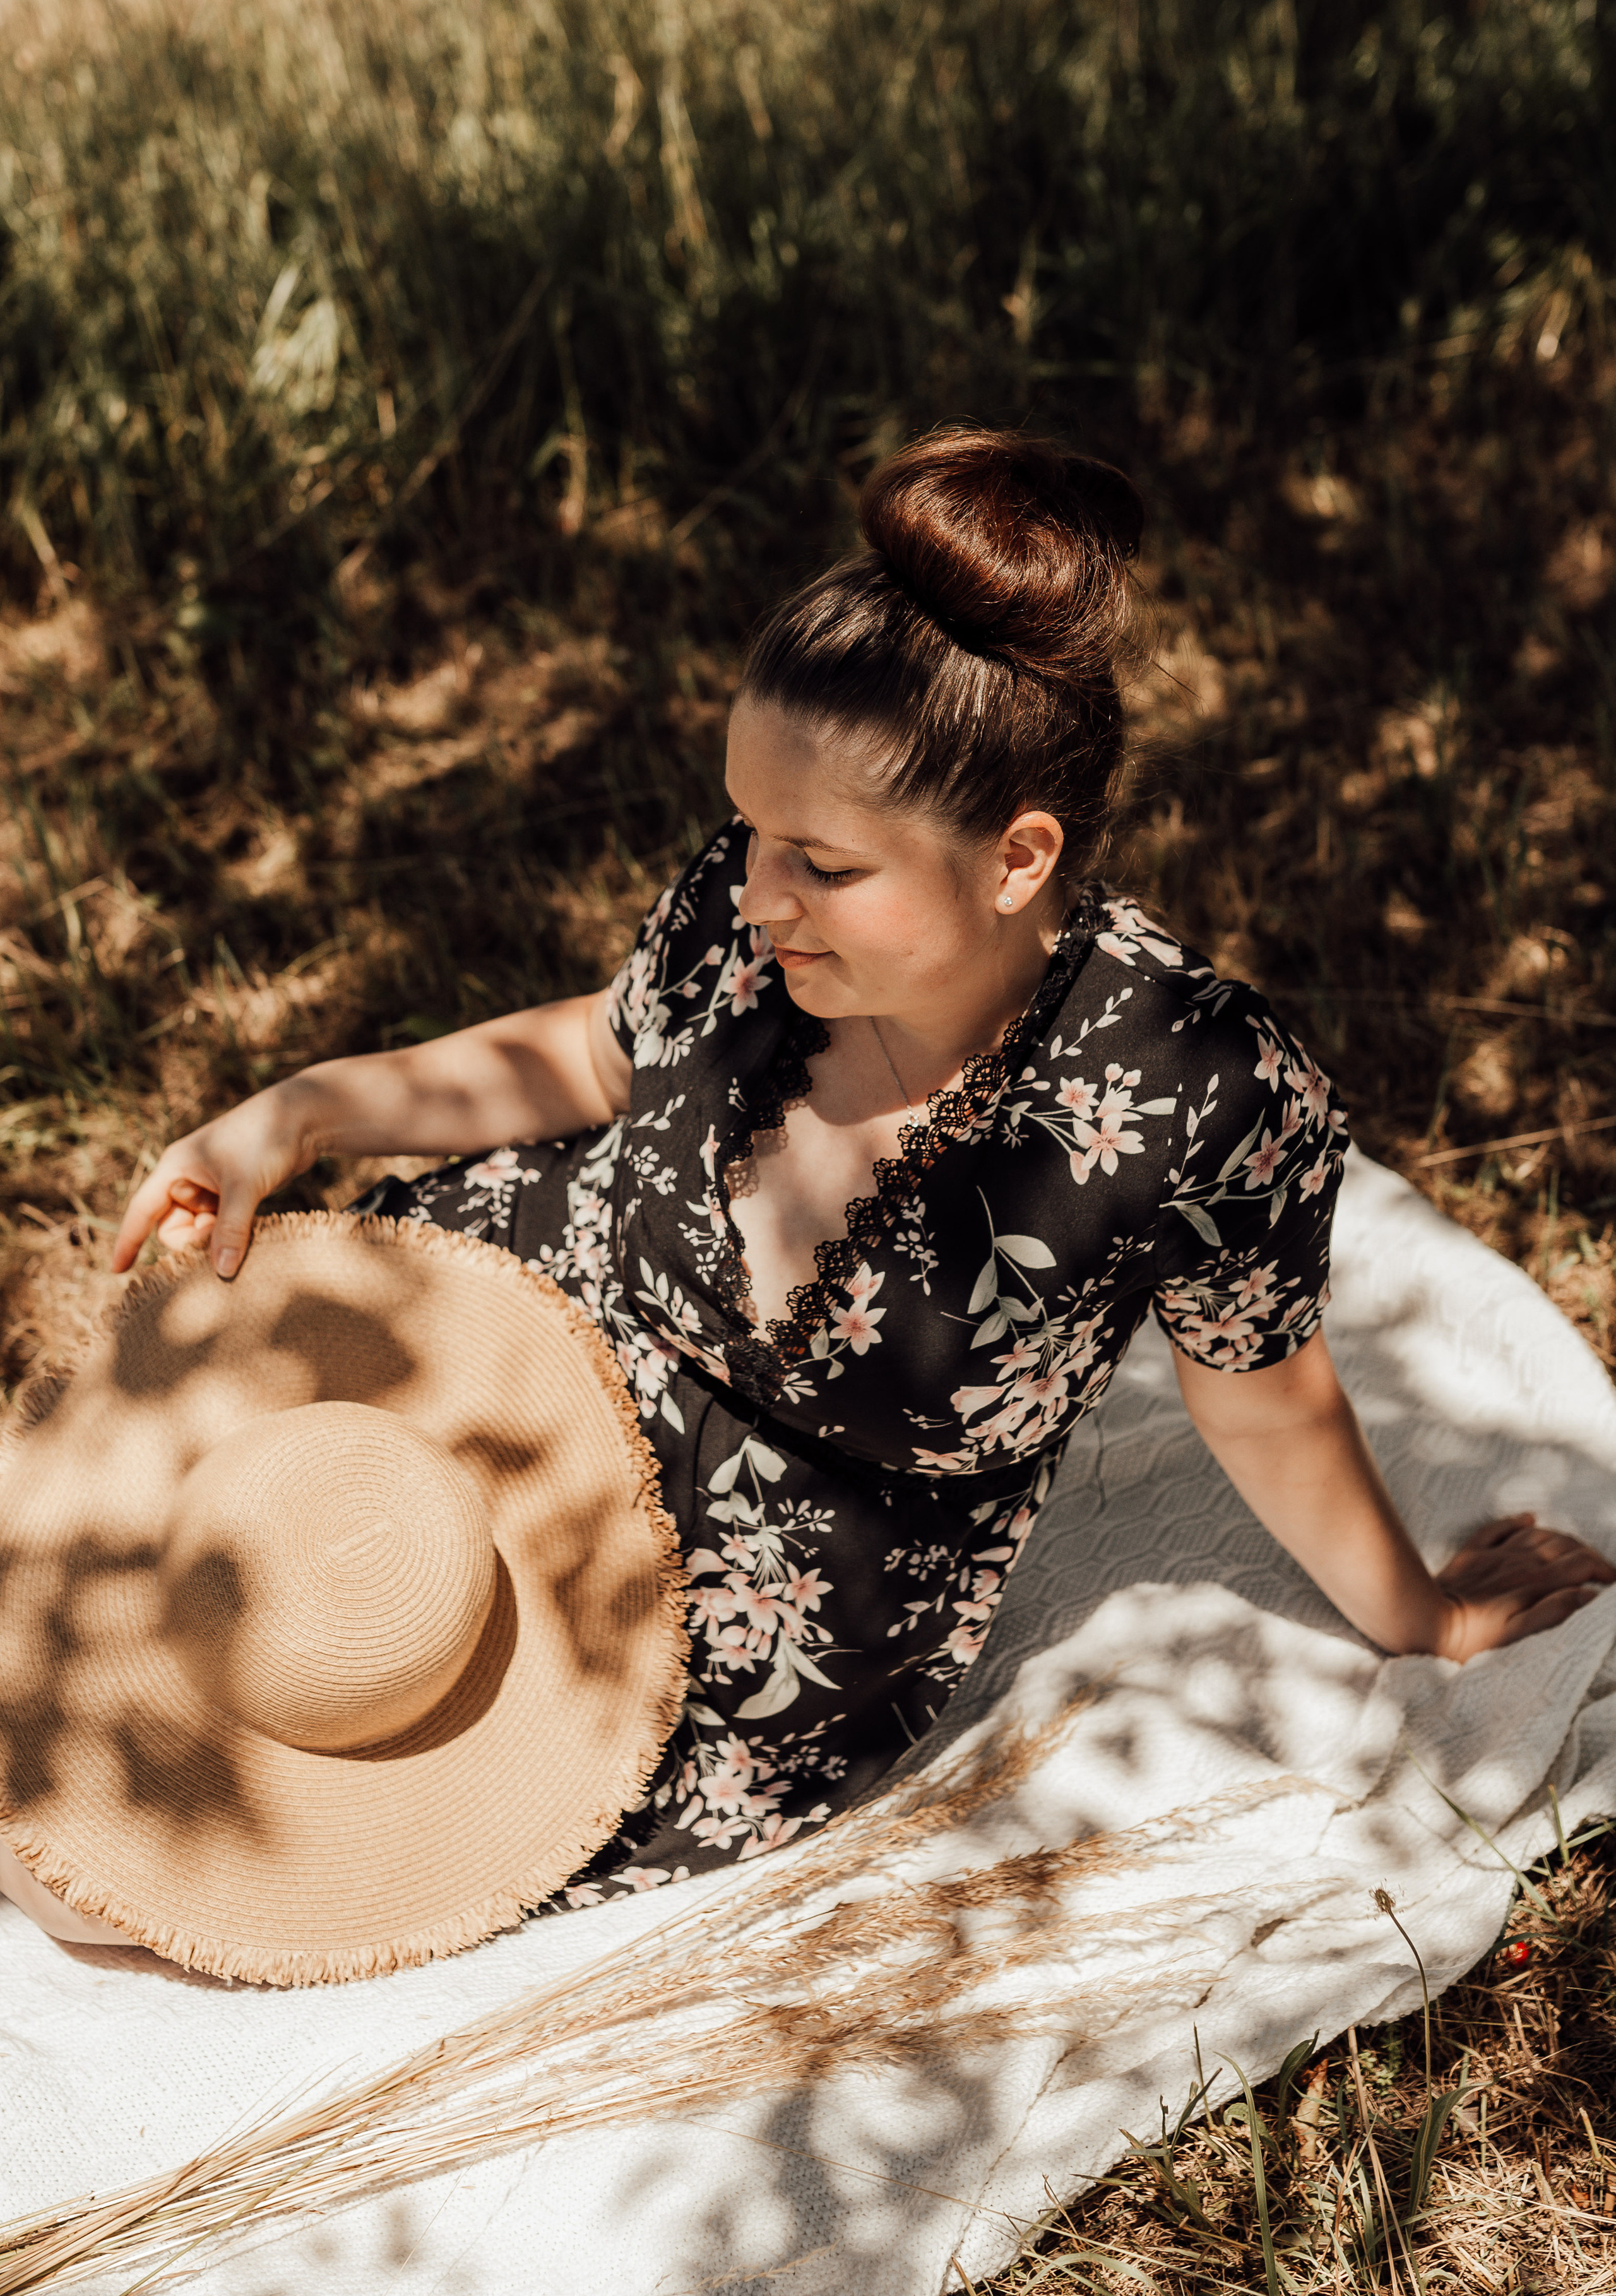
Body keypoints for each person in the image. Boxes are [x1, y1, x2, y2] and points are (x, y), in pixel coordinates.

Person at [106, 428, 1615, 1913]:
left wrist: (1424, 1615)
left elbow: (1264, 1402)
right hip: (507, 1344)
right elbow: (604, 1053)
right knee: (188, 1593)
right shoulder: (756, 901)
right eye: (751, 833)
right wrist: (305, 1111)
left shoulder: (1194, 1094)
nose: (758, 894)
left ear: (1016, 860)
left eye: (821, 864)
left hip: (738, 1601)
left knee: (239, 1805)